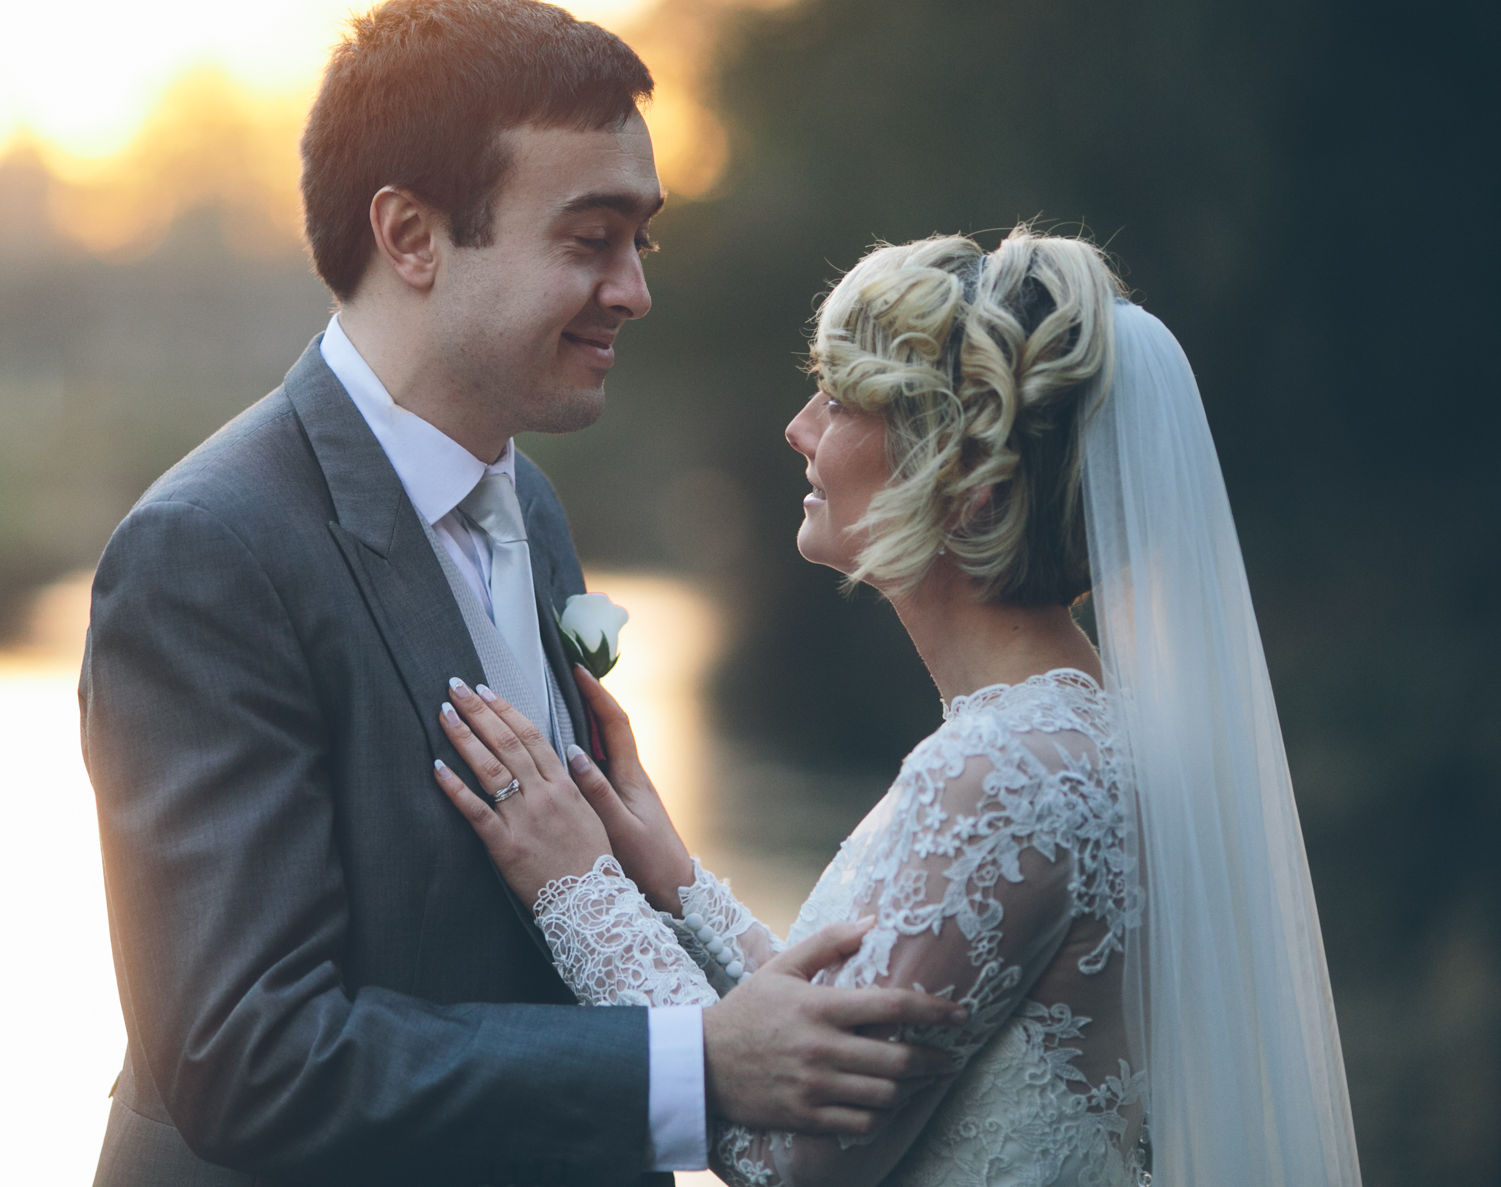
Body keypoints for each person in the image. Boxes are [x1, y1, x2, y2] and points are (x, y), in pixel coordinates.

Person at [79, 0, 966, 1187]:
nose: (634, 291)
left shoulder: (532, 506)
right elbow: (249, 1055)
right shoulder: (205, 554)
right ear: (411, 237)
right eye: (587, 239)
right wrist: (695, 1069)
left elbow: (541, 929)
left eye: (639, 241)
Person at [433, 228, 1363, 1185]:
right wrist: (669, 875)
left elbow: (786, 1153)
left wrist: (577, 890)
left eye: (837, 400)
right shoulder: (1068, 736)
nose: (797, 426)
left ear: (962, 489)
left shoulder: (1007, 776)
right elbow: (828, 1024)